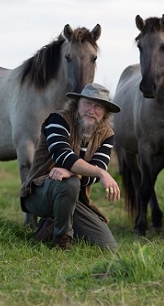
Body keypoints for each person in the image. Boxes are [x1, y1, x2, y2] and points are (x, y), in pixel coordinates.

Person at [20, 82, 122, 251]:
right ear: (77, 103)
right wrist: (101, 173)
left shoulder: (107, 134)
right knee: (70, 183)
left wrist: (72, 171)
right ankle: (62, 240)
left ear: (105, 112)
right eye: (87, 103)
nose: (91, 110)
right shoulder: (57, 120)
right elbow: (63, 155)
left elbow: (94, 172)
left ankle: (52, 224)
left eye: (98, 106)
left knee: (108, 247)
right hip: (39, 193)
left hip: (74, 199)